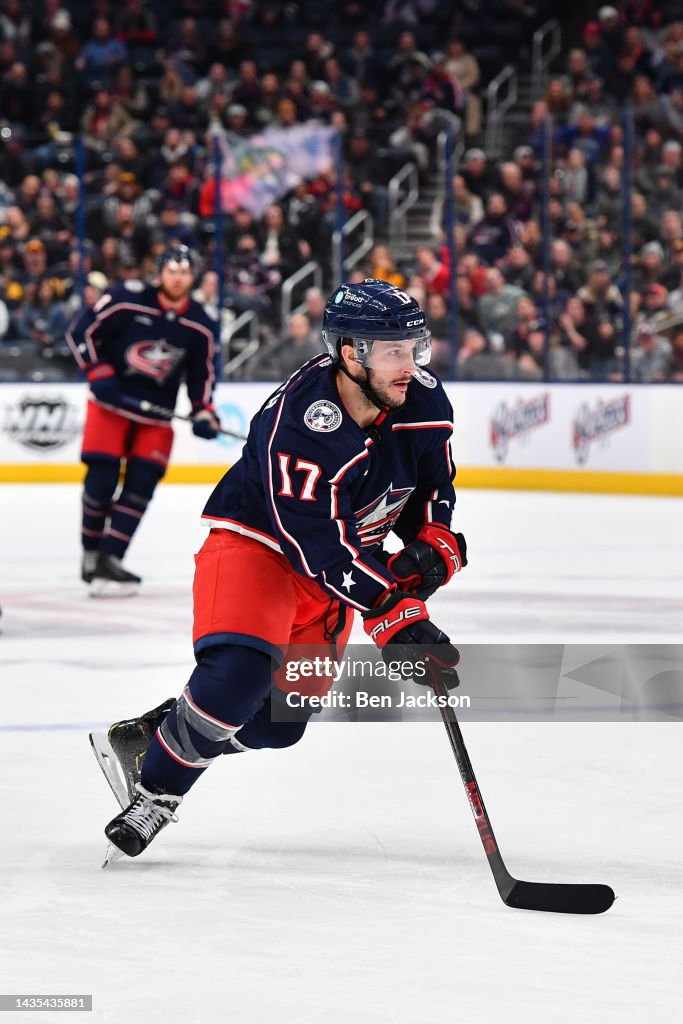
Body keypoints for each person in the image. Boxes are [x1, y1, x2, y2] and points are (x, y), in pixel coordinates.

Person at [95, 279, 467, 861]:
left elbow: (434, 486)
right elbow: (316, 544)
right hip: (261, 550)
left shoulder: (421, 398)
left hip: (340, 568)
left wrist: (434, 544)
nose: (409, 365)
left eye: (413, 347)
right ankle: (156, 793)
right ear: (352, 353)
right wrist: (392, 611)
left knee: (278, 725)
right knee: (239, 678)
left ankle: (164, 734)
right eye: (393, 351)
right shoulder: (299, 423)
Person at [66, 245, 221, 592]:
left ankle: (110, 559)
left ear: (193, 277)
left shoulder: (201, 322)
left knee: (142, 483)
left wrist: (203, 410)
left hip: (156, 417)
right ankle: (90, 551)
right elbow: (81, 332)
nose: (178, 279)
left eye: (184, 273)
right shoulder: (126, 298)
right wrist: (97, 370)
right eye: (172, 271)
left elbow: (202, 374)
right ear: (159, 274)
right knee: (101, 480)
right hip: (111, 406)